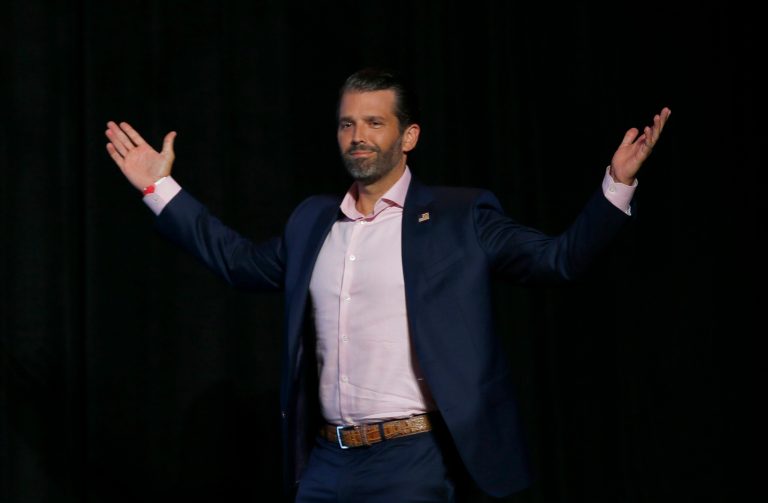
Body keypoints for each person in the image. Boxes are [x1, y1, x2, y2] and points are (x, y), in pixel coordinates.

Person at [105, 68, 670, 502]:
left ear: (409, 135)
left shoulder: (459, 215)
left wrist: (616, 186)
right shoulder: (313, 221)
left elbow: (558, 261)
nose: (359, 136)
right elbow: (239, 263)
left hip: (415, 460)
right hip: (326, 461)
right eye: (348, 124)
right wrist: (161, 191)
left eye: (375, 123)